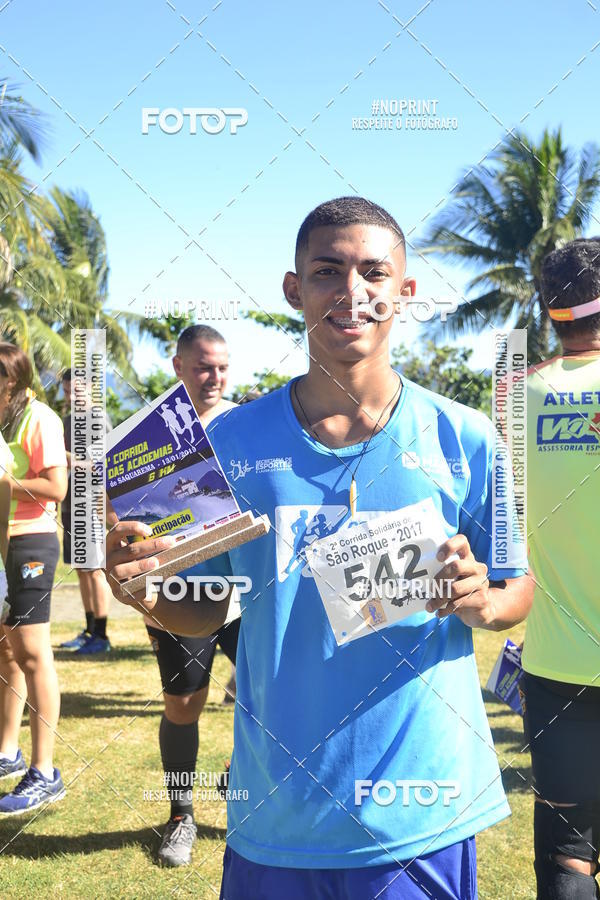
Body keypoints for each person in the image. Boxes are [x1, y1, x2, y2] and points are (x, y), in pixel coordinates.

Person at [106, 197, 534, 898]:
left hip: (419, 815)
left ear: (405, 290)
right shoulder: (230, 443)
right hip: (279, 817)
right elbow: (205, 608)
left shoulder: (466, 437)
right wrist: (148, 592)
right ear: (294, 288)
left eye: (373, 272)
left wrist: (482, 601)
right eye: (328, 271)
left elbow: (517, 588)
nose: (352, 292)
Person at [521, 238, 600, 899]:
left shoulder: (517, 399)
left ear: (551, 310)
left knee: (569, 859)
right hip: (552, 666)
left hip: (556, 667)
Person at [143, 324, 239, 867]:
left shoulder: (248, 424)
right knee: (185, 705)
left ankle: (240, 780)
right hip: (184, 591)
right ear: (179, 367)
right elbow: (128, 520)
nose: (215, 377)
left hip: (250, 587)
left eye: (223, 366)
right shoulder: (151, 437)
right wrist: (149, 598)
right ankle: (181, 815)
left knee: (274, 691)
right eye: (204, 366)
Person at [0, 343, 68, 813]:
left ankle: (45, 771)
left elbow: (57, 487)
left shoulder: (39, 417)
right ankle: (7, 751)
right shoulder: (4, 420)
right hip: (3, 539)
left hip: (32, 542)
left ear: (15, 382)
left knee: (32, 653)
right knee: (6, 652)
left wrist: (3, 480)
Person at [59, 368, 113, 654]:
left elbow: (101, 463)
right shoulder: (67, 421)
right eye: (67, 391)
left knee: (94, 570)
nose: (71, 396)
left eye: (77, 390)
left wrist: (62, 456)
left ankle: (102, 636)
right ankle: (89, 630)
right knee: (81, 569)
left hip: (90, 501)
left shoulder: (97, 419)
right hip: (69, 501)